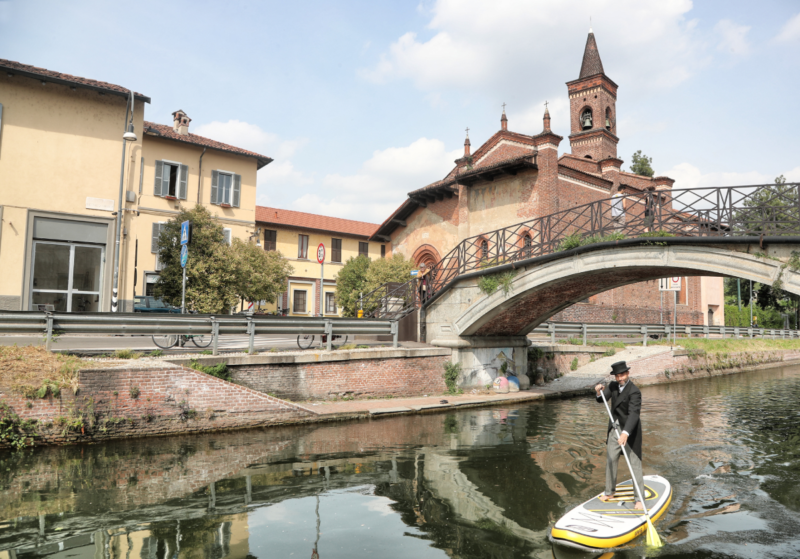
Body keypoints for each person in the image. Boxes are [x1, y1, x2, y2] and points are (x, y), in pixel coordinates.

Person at [594, 361, 645, 510]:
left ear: (627, 374)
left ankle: (639, 498)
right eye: (617, 375)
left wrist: (625, 433)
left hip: (630, 431)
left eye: (622, 375)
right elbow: (601, 399)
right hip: (614, 429)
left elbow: (634, 414)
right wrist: (598, 392)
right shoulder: (613, 386)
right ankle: (610, 492)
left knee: (634, 465)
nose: (620, 378)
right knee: (611, 460)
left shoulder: (634, 391)